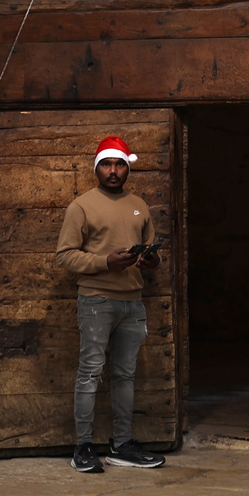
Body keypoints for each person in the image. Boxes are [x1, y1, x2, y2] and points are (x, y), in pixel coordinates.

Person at [55, 136, 167, 473]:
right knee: (90, 374)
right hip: (96, 301)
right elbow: (65, 256)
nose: (113, 171)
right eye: (106, 164)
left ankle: (122, 444)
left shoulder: (139, 205)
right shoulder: (81, 206)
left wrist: (152, 261)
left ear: (128, 168)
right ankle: (83, 446)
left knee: (125, 376)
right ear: (97, 168)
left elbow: (151, 249)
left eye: (119, 164)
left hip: (133, 302)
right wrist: (106, 262)